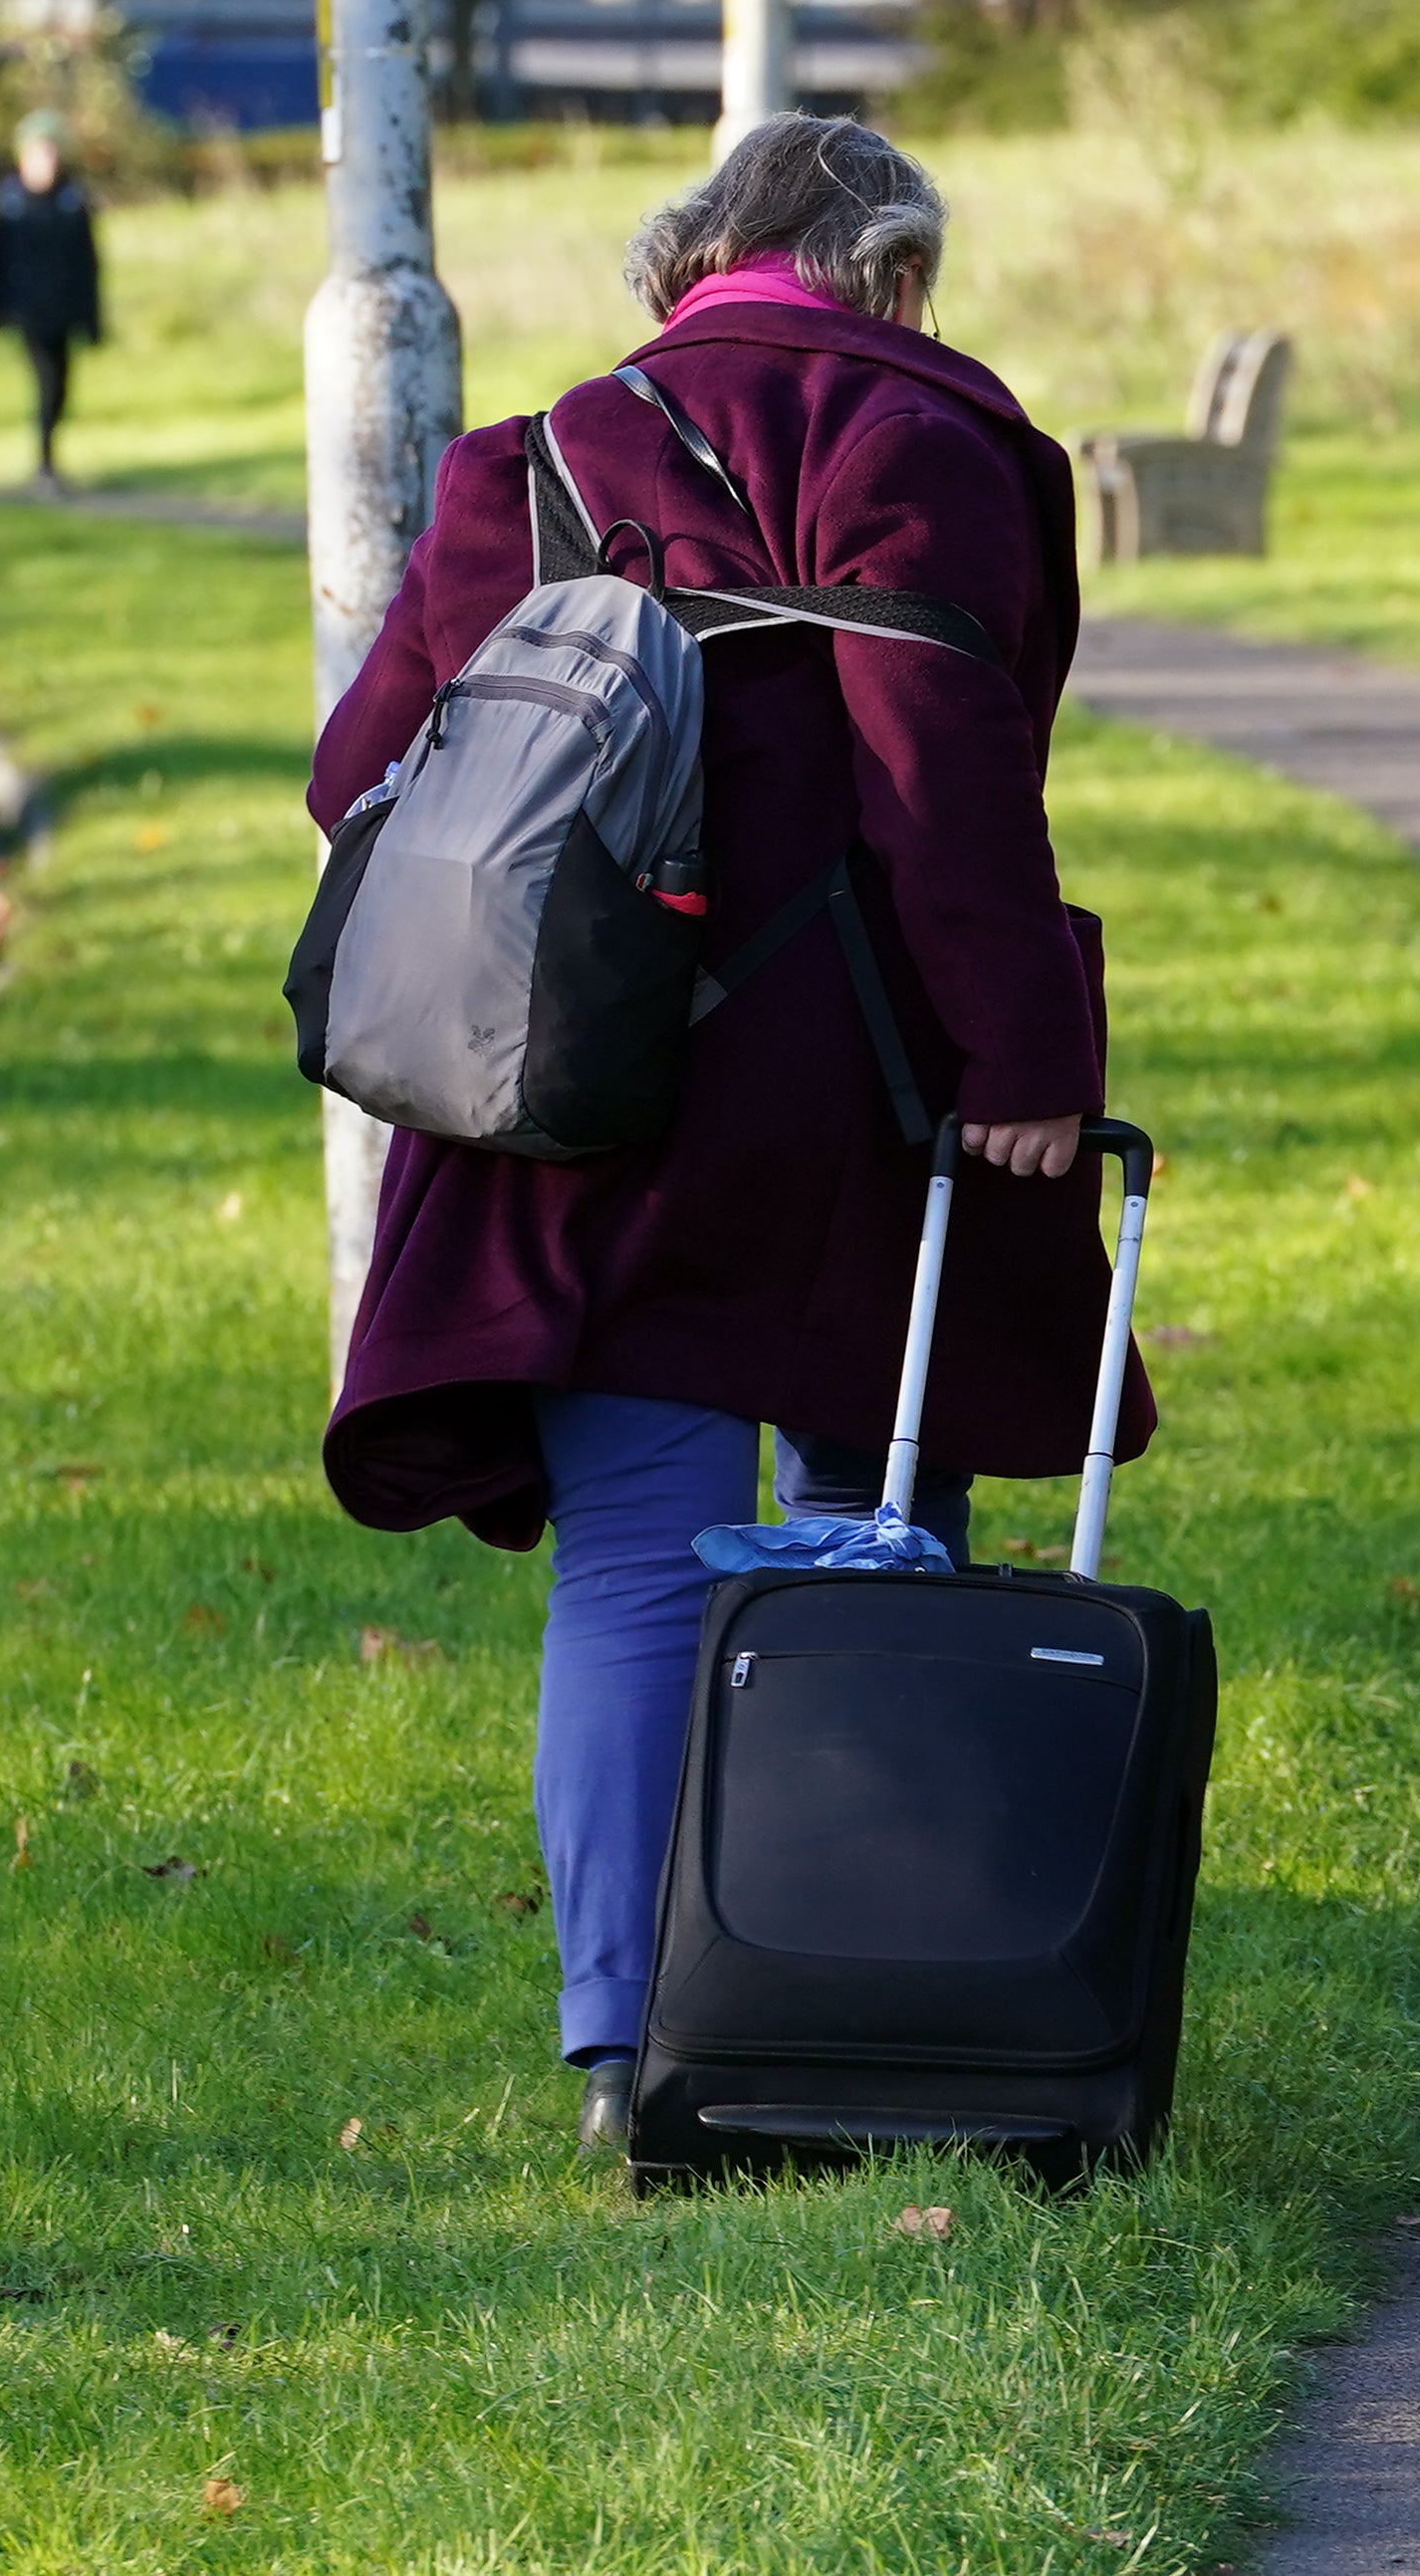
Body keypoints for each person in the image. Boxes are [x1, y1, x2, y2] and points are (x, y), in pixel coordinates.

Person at [308, 113, 1131, 2156]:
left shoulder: (535, 459)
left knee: (639, 1573)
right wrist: (1022, 1053)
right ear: (897, 273)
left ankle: (622, 2050)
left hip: (573, 1091)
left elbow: (358, 778)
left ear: (688, 268)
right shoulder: (918, 442)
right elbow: (947, 785)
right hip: (853, 1090)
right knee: (884, 1543)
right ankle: (871, 2000)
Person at [0, 114, 104, 490]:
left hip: (64, 309)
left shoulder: (72, 200)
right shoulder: (8, 202)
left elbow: (88, 262)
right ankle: (45, 460)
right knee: (46, 381)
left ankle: (49, 456)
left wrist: (92, 317)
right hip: (27, 310)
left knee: (61, 384)